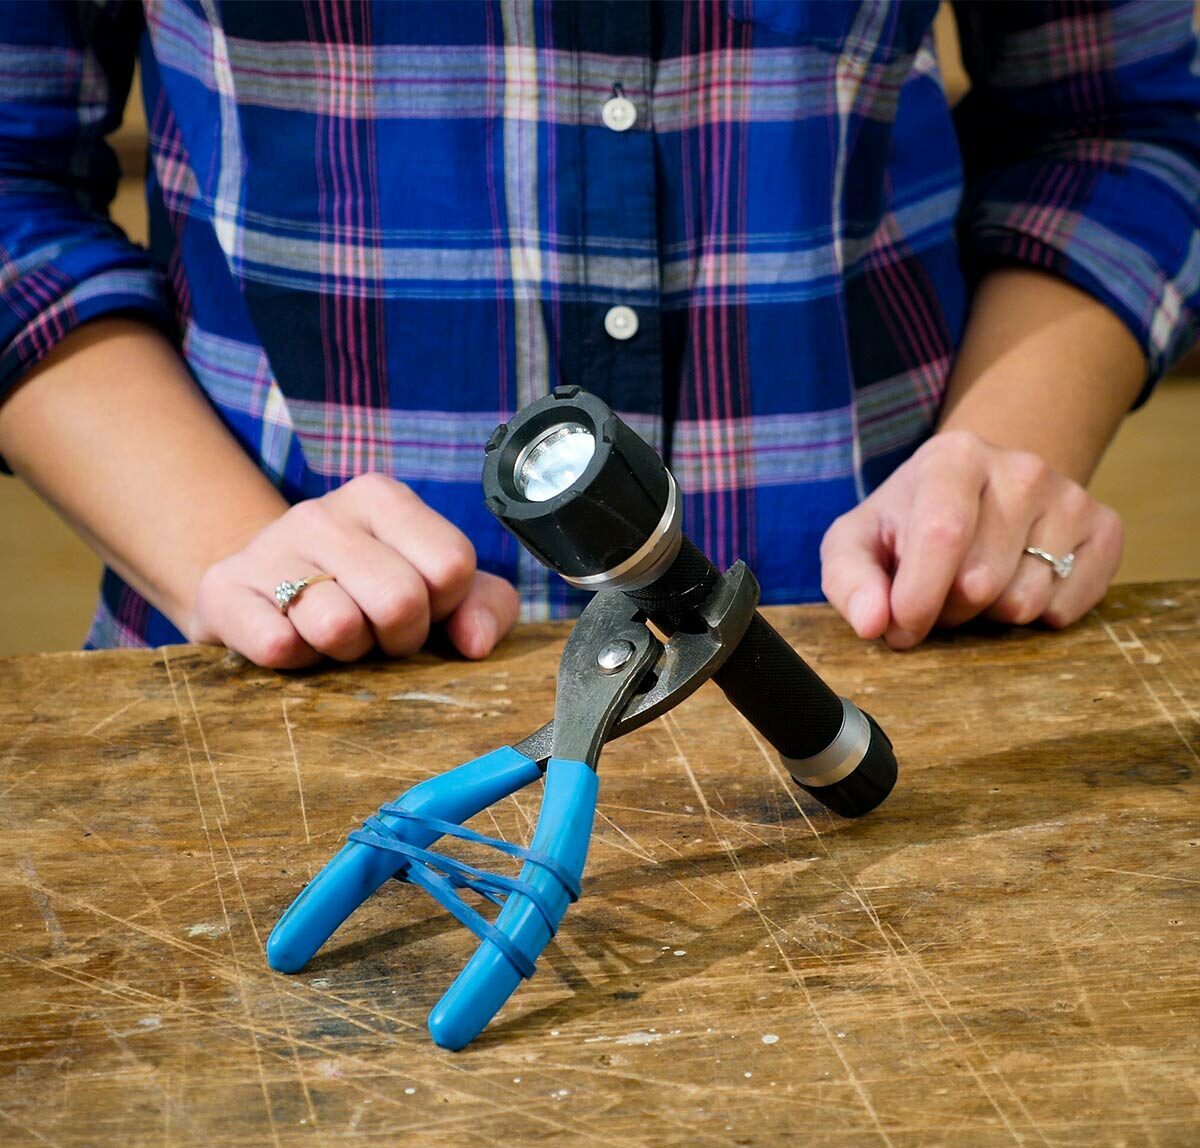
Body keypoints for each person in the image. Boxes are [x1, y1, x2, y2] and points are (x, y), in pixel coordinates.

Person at [1, 1, 1197, 669]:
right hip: (283, 684)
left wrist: (993, 469)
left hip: (880, 648)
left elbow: (1118, 125)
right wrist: (236, 553)